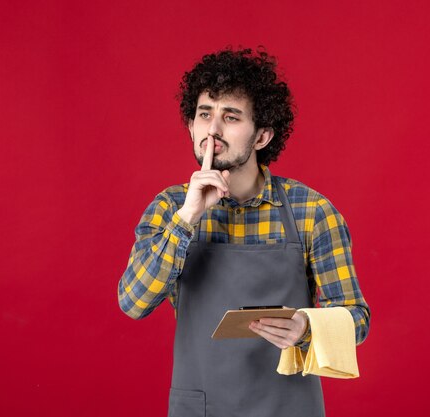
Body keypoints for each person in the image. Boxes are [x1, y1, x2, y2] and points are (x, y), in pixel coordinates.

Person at [118, 47, 370, 417]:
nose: (213, 130)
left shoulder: (311, 212)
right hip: (200, 407)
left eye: (231, 117)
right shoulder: (171, 208)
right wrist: (188, 217)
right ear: (191, 125)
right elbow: (133, 302)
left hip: (289, 407)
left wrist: (306, 327)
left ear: (262, 136)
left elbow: (356, 319)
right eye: (205, 115)